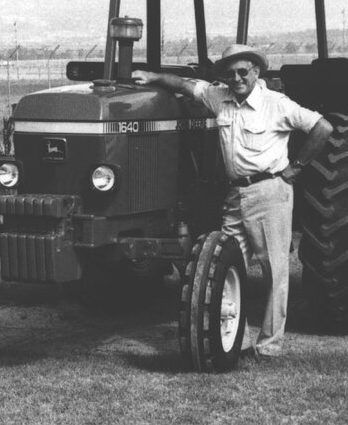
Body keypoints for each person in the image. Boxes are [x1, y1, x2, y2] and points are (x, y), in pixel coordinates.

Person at [133, 44, 332, 358]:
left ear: (256, 71)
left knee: (274, 272)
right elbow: (185, 85)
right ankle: (235, 339)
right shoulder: (219, 98)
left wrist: (296, 168)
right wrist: (151, 75)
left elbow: (322, 127)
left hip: (270, 193)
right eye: (231, 73)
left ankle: (269, 345)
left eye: (243, 72)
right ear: (223, 76)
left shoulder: (276, 104)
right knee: (226, 264)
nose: (237, 78)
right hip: (235, 194)